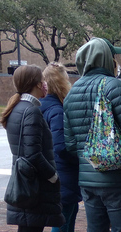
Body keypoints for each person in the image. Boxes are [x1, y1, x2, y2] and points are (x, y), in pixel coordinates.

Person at [63, 37, 121, 232]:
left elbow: (70, 145)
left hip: (89, 181)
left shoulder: (71, 93)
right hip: (120, 180)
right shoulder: (113, 85)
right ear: (106, 59)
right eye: (113, 56)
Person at [0, 65, 65, 232]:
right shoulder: (31, 111)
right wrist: (53, 176)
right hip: (34, 186)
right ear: (36, 84)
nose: (45, 84)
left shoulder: (17, 108)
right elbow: (33, 154)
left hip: (24, 181)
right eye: (43, 81)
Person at [40, 62, 82, 232]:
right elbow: (62, 147)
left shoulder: (42, 106)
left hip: (54, 175)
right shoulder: (57, 110)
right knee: (64, 220)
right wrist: (80, 155)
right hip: (64, 175)